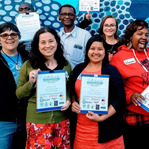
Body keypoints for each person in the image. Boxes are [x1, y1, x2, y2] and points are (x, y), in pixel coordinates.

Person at [16, 27, 71, 148]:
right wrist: (30, 82)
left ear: (57, 41)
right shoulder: (29, 65)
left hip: (61, 120)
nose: (48, 45)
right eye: (43, 42)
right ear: (37, 45)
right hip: (38, 121)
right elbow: (19, 94)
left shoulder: (66, 64)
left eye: (51, 41)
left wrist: (68, 100)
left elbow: (68, 89)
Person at [69, 35, 126, 149]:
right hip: (81, 130)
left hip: (107, 130)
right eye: (92, 48)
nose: (96, 52)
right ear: (87, 51)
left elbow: (120, 98)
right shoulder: (78, 69)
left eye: (100, 49)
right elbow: (71, 91)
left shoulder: (111, 71)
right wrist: (73, 102)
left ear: (105, 51)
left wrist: (102, 117)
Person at [110, 20, 149, 149]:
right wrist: (130, 95)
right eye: (139, 33)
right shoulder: (119, 57)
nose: (144, 37)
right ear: (130, 36)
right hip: (136, 115)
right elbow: (114, 88)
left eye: (146, 34)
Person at [0, 22, 28, 149]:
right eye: (4, 35)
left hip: (26, 118)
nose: (9, 38)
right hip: (3, 121)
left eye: (13, 34)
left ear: (19, 36)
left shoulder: (28, 57)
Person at [58, 4, 91, 69]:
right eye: (64, 14)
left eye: (70, 14)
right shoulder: (57, 37)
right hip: (61, 76)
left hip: (79, 76)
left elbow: (90, 58)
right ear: (59, 17)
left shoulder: (85, 35)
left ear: (75, 17)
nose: (67, 17)